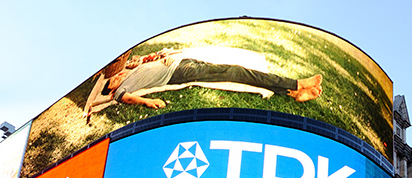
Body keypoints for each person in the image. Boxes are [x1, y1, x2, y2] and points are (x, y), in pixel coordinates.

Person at [106, 50, 323, 110]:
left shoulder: (131, 72)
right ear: (111, 88)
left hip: (182, 63)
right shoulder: (123, 89)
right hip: (180, 73)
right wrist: (147, 101)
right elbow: (125, 98)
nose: (116, 77)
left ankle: (292, 93)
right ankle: (296, 84)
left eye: (116, 76)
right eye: (113, 81)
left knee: (235, 71)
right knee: (236, 72)